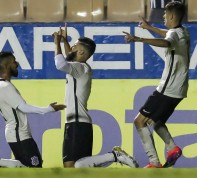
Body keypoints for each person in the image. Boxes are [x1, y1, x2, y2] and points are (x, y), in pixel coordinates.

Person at [53, 24, 139, 168]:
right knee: (77, 168)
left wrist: (57, 43)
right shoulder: (80, 67)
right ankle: (113, 156)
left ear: (80, 52)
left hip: (77, 124)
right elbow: (70, 57)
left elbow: (61, 64)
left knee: (73, 167)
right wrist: (65, 41)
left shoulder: (80, 68)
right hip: (78, 123)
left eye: (74, 46)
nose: (71, 48)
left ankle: (114, 156)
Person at [123, 1, 189, 168]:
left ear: (173, 16)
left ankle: (154, 161)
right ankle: (173, 149)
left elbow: (167, 41)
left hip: (168, 88)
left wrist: (138, 39)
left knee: (139, 121)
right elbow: (167, 34)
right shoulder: (183, 32)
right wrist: (150, 28)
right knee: (157, 121)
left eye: (166, 15)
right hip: (179, 89)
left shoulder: (173, 35)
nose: (164, 18)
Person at [0, 52, 66, 168]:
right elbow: (24, 107)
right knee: (34, 166)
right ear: (6, 66)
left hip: (17, 132)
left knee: (27, 166)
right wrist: (48, 109)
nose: (17, 64)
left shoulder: (1, 86)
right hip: (18, 133)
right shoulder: (5, 87)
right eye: (14, 61)